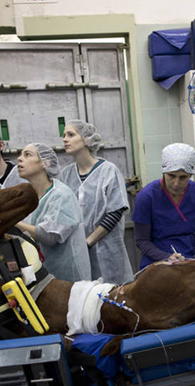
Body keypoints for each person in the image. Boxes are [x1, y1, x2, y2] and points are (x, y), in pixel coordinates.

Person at [59, 120, 134, 285]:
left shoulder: (108, 171)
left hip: (107, 251)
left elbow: (115, 211)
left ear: (87, 139)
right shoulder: (66, 175)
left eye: (70, 135)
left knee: (110, 294)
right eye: (64, 135)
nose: (65, 139)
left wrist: (88, 242)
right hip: (77, 253)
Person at [15, 143, 90, 282]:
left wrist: (12, 222)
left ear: (45, 163)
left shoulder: (60, 195)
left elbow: (49, 236)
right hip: (42, 275)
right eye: (20, 155)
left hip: (67, 278)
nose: (19, 158)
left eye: (27, 155)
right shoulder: (27, 197)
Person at [132, 143, 195, 269]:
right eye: (171, 176)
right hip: (156, 263)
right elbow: (142, 241)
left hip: (191, 260)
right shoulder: (146, 197)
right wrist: (166, 257)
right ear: (164, 172)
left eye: (183, 177)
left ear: (190, 175)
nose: (176, 183)